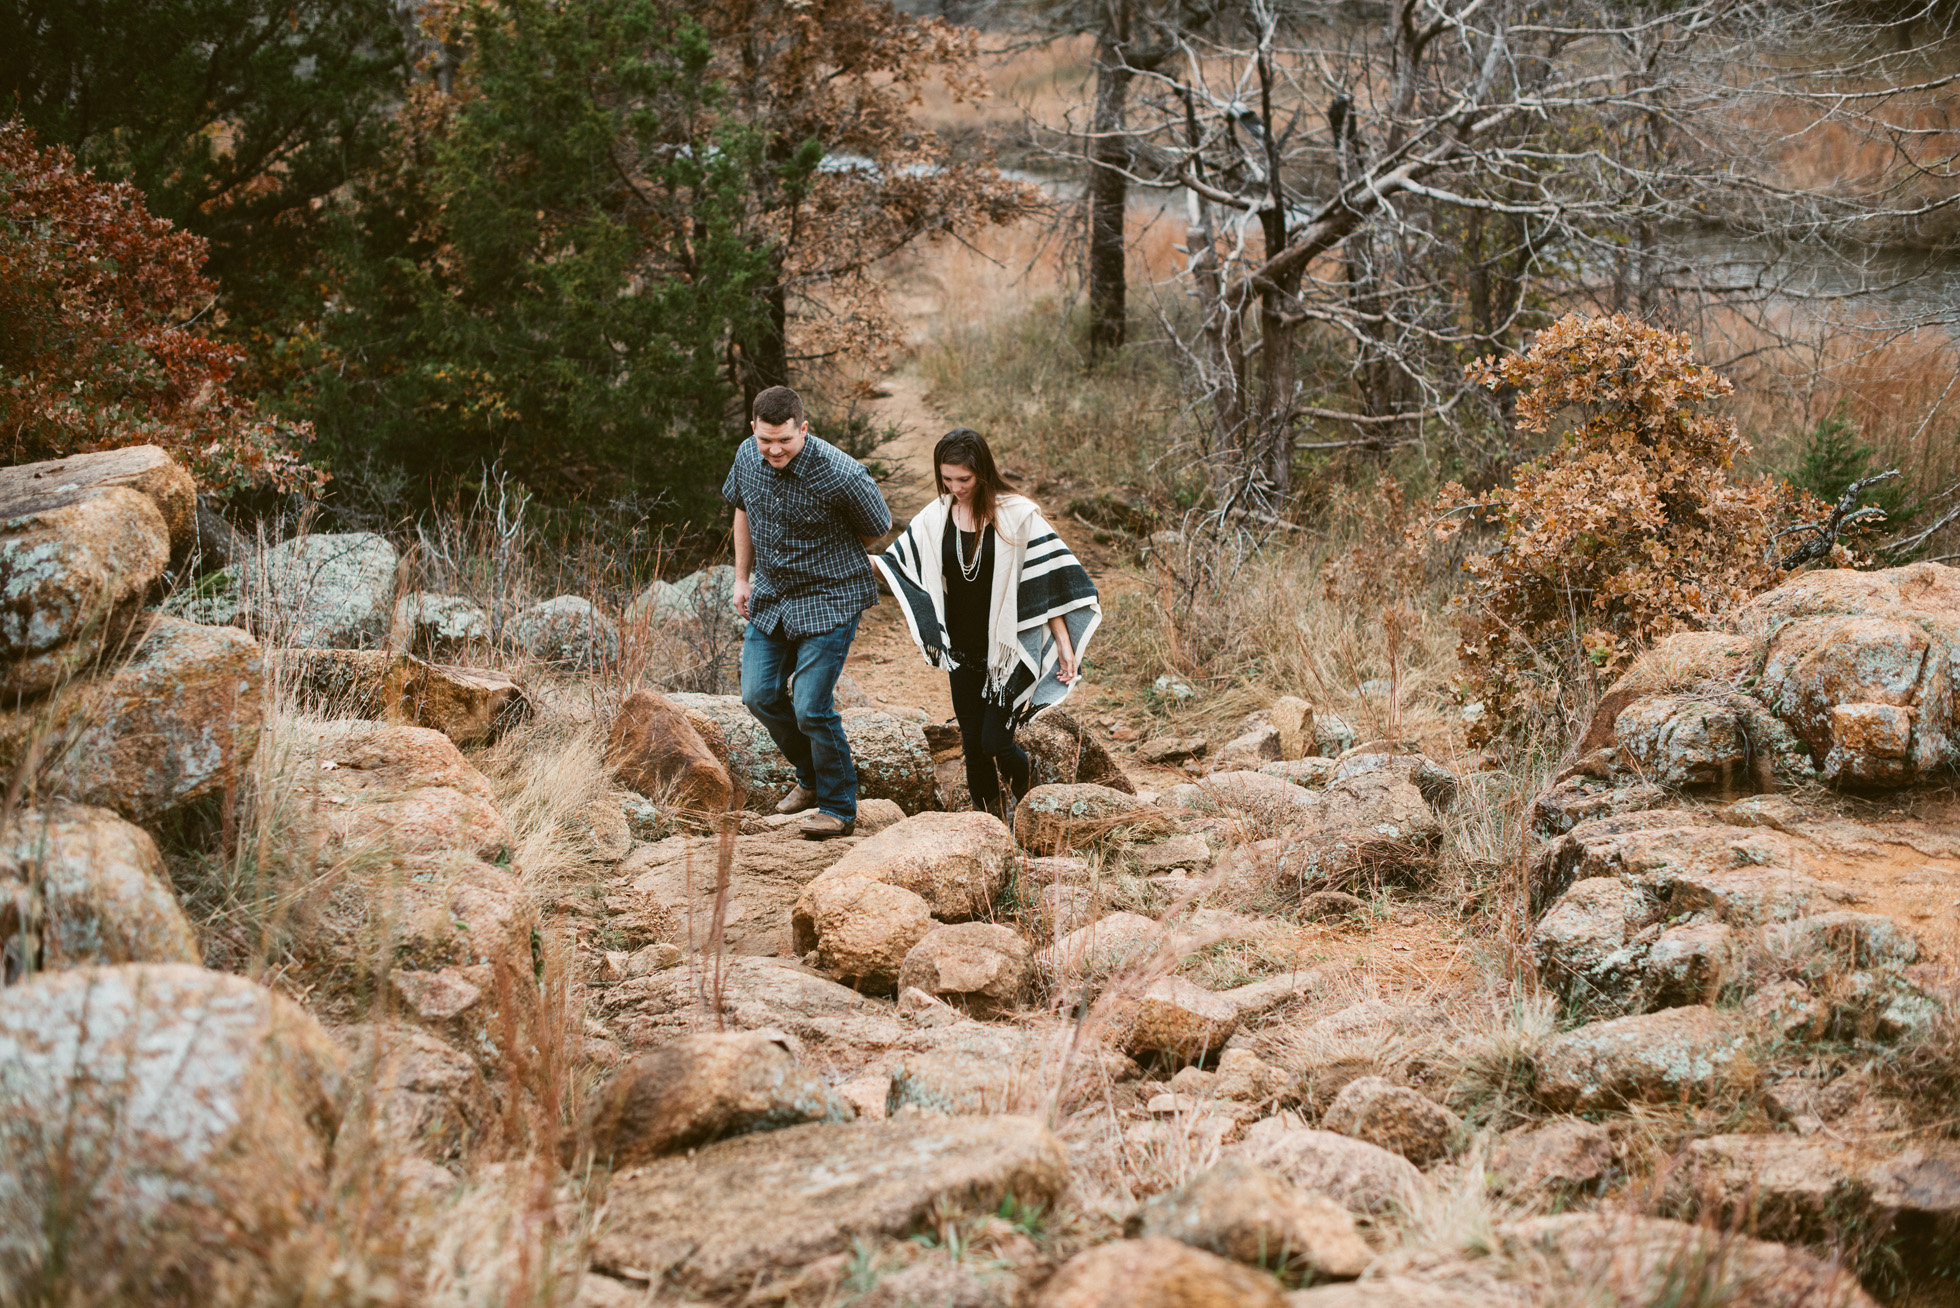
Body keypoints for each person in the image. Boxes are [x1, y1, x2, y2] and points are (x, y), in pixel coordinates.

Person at [873, 429, 1101, 819]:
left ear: (982, 472)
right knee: (974, 747)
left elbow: (1048, 583)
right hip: (961, 650)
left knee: (995, 741)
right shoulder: (936, 515)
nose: (955, 487)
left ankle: (1033, 802)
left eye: (964, 479)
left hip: (1007, 650)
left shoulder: (1017, 514)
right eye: (947, 479)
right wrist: (844, 559)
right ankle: (986, 827)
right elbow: (895, 564)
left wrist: (1064, 645)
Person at [726, 385, 893, 838]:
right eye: (765, 440)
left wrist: (828, 557)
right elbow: (742, 508)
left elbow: (877, 527)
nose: (774, 449)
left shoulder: (841, 473)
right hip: (773, 595)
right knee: (758, 695)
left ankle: (839, 808)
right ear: (753, 430)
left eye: (784, 439)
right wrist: (743, 577)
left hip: (830, 597)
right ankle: (812, 778)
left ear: (804, 428)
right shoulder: (747, 456)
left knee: (812, 707)